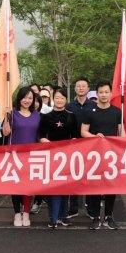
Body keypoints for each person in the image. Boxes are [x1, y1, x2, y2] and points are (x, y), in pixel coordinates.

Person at [81, 81, 124, 230]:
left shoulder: (117, 111)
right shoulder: (89, 111)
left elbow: (122, 132)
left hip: (112, 155)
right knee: (95, 186)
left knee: (111, 186)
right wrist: (94, 137)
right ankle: (95, 217)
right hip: (94, 155)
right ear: (96, 94)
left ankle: (108, 216)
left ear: (111, 93)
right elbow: (83, 131)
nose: (104, 95)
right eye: (101, 92)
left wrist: (124, 143)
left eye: (106, 92)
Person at [39, 88, 79, 228]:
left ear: (66, 100)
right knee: (53, 187)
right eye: (57, 98)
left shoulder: (71, 116)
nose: (59, 100)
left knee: (65, 186)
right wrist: (46, 142)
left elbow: (76, 136)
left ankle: (64, 216)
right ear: (52, 99)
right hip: (51, 155)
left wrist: (71, 144)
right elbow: (41, 135)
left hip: (67, 155)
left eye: (62, 98)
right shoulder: (46, 116)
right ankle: (53, 217)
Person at [3, 86, 41, 227]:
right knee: (15, 185)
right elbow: (6, 133)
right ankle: (17, 213)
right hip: (15, 155)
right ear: (19, 98)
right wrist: (6, 117)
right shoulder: (12, 113)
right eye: (24, 97)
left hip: (32, 156)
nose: (27, 100)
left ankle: (26, 213)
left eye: (30, 98)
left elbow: (40, 135)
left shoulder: (37, 115)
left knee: (28, 186)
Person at [66, 77, 97, 218]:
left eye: (84, 86)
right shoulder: (69, 106)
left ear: (88, 89)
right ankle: (73, 208)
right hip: (74, 145)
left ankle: (91, 209)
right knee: (74, 176)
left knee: (90, 176)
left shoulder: (94, 106)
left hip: (91, 145)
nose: (81, 88)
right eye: (78, 86)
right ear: (75, 88)